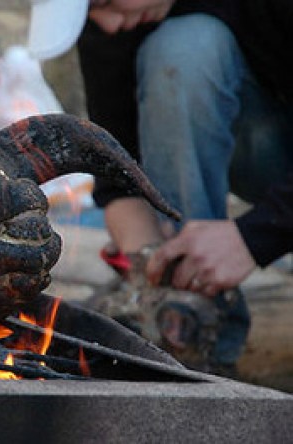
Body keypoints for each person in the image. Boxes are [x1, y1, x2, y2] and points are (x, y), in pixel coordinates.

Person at [70, 0, 293, 373]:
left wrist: (254, 237)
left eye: (104, 2)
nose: (106, 24)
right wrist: (148, 258)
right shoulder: (117, 21)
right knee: (180, 52)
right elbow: (117, 171)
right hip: (269, 157)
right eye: (88, 15)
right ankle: (194, 326)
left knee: (187, 49)